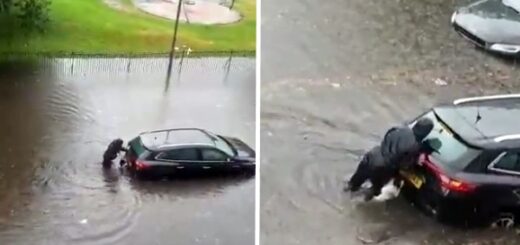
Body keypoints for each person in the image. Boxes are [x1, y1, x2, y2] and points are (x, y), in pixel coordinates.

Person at [344, 117, 434, 201]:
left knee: (352, 184)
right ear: (425, 132)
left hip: (371, 156)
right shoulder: (415, 146)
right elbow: (404, 165)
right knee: (374, 191)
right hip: (383, 168)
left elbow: (387, 137)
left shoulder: (399, 129)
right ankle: (359, 205)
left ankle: (344, 197)